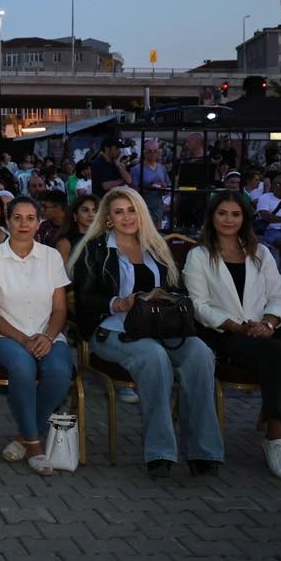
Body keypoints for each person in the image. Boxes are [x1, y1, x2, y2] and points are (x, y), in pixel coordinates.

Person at [72, 186, 224, 478]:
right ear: (108, 218)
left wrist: (167, 297)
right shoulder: (94, 249)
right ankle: (160, 451)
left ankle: (202, 450)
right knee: (154, 357)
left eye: (132, 210)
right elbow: (83, 299)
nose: (127, 217)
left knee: (201, 354)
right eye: (119, 212)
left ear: (142, 213)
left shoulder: (156, 247)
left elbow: (177, 287)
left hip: (160, 326)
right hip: (111, 329)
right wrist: (118, 303)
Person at [183, 191, 281, 482]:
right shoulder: (199, 255)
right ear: (212, 217)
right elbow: (199, 306)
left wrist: (268, 323)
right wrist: (240, 327)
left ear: (245, 218)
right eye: (222, 213)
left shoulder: (261, 253)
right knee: (275, 353)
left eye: (235, 214)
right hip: (226, 332)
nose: (229, 220)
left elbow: (278, 296)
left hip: (267, 326)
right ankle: (276, 437)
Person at [0, 196, 74, 476]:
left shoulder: (51, 257)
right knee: (23, 366)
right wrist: (24, 339)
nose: (24, 224)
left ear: (39, 222)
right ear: (7, 221)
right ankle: (33, 444)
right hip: (2, 335)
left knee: (59, 371)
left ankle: (24, 436)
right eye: (17, 218)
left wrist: (48, 336)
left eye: (30, 218)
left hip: (47, 333)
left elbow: (60, 309)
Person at [55, 194, 98, 267]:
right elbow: (62, 272)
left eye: (94, 210)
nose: (91, 215)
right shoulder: (65, 242)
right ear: (75, 215)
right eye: (85, 210)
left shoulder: (102, 238)